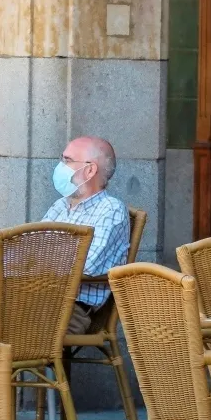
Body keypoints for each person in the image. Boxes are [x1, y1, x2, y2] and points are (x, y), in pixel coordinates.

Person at [42, 136, 130, 334]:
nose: (60, 166)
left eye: (67, 160)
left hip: (70, 308)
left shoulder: (110, 209)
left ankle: (31, 366)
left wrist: (43, 257)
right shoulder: (61, 205)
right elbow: (26, 251)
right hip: (40, 296)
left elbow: (86, 265)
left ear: (90, 170)